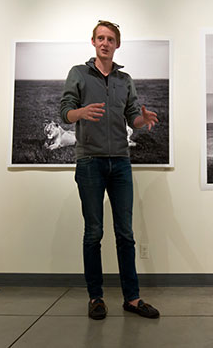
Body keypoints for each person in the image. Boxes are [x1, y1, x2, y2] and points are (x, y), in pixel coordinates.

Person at [60, 20, 160, 320]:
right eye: (100, 38)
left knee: (125, 234)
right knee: (93, 233)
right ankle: (96, 297)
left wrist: (143, 121)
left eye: (111, 39)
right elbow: (65, 112)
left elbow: (133, 118)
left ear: (117, 44)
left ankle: (132, 298)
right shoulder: (78, 73)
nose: (105, 43)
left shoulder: (125, 79)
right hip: (89, 161)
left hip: (120, 162)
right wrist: (81, 112)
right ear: (93, 42)